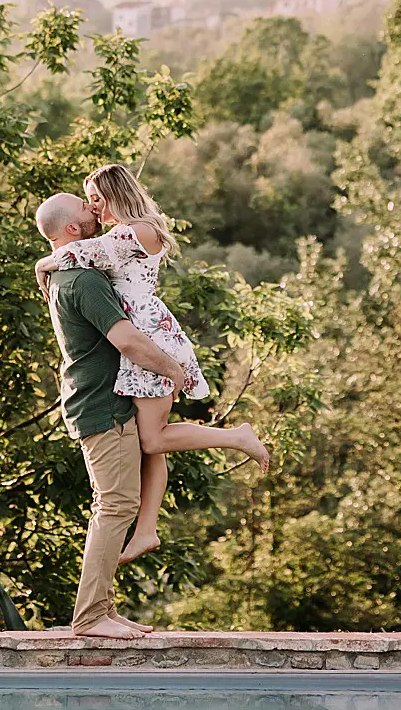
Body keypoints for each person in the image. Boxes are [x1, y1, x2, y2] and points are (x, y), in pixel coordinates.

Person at [36, 164, 269, 566]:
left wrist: (44, 264)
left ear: (114, 195)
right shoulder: (129, 231)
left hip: (150, 340)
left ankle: (238, 438)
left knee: (153, 439)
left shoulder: (135, 231)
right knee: (153, 441)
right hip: (143, 338)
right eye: (88, 202)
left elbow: (80, 254)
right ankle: (146, 530)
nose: (93, 209)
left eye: (96, 199)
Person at [34, 190, 184, 639]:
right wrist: (173, 368)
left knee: (114, 504)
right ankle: (90, 616)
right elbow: (127, 340)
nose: (92, 207)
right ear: (73, 230)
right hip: (102, 405)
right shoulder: (83, 278)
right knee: (115, 506)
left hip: (95, 399)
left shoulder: (68, 274)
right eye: (84, 207)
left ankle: (104, 609)